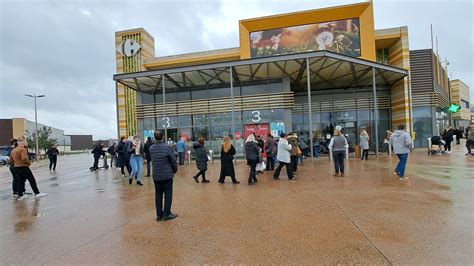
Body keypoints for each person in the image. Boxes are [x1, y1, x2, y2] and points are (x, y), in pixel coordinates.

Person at [150, 130, 178, 221]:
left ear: (154, 137)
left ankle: (159, 215)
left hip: (156, 175)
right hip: (167, 175)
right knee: (168, 195)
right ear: (163, 137)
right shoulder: (167, 147)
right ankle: (166, 213)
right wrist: (174, 170)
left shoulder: (151, 148)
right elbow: (173, 160)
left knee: (158, 195)